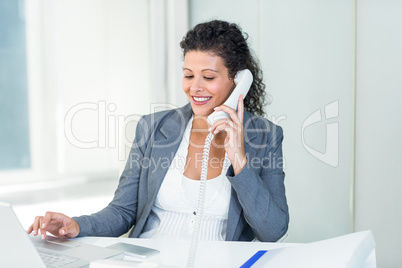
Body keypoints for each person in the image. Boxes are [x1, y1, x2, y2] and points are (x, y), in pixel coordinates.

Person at [28, 20, 289, 242]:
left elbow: (273, 231)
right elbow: (122, 212)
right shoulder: (152, 128)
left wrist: (239, 160)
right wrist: (77, 225)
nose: (195, 88)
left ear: (239, 81)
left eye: (208, 77)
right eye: (188, 75)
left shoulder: (265, 136)